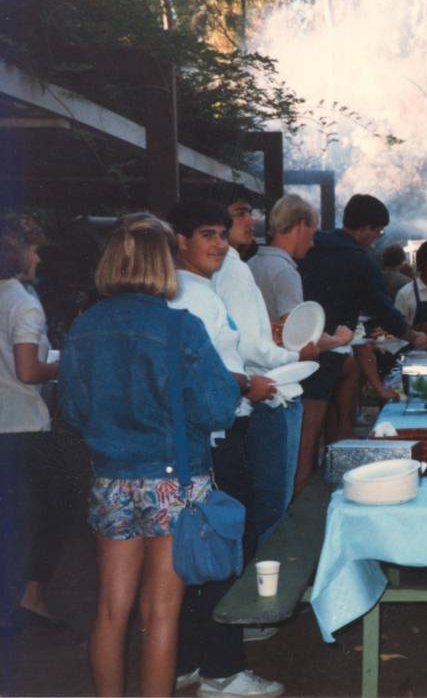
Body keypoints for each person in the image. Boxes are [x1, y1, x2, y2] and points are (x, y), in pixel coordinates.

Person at [59, 215, 239, 697]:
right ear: (165, 264)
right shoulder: (181, 327)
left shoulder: (83, 328)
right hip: (173, 481)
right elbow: (220, 407)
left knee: (111, 610)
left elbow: (74, 413)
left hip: (111, 478)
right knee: (160, 613)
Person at [166, 200, 285, 698]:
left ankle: (191, 660)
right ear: (180, 243)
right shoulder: (195, 297)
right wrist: (247, 386)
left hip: (199, 438)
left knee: (195, 552)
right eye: (206, 234)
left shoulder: (192, 291)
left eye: (221, 234)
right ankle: (223, 672)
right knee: (219, 551)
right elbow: (207, 376)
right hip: (214, 437)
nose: (218, 243)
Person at [212, 190, 344, 541]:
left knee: (251, 496)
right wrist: (328, 344)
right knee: (271, 501)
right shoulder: (256, 269)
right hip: (271, 390)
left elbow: (250, 333)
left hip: (245, 393)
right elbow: (295, 338)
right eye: (240, 214)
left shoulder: (247, 264)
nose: (249, 221)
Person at [297, 194, 427, 496]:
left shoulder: (313, 244)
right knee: (311, 441)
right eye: (378, 231)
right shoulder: (360, 259)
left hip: (297, 346)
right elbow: (383, 308)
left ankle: (321, 486)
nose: (377, 238)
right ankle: (314, 500)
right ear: (367, 228)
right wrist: (412, 336)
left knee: (305, 437)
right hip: (327, 349)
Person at [0, 216, 67, 633]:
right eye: (35, 249)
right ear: (18, 252)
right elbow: (28, 370)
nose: (39, 257)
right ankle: (31, 597)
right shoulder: (23, 302)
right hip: (24, 424)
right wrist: (66, 364)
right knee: (55, 510)